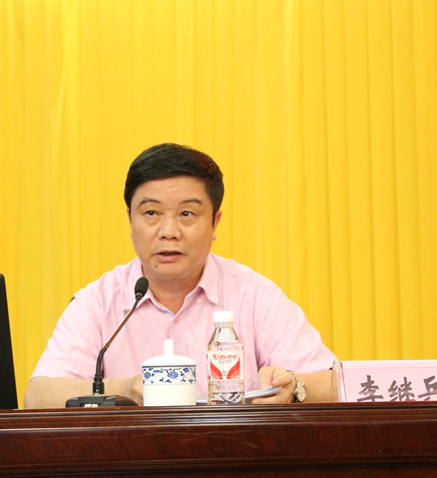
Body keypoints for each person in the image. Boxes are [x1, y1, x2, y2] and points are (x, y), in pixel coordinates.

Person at [24, 143, 336, 408]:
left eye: (187, 214)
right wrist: (124, 389)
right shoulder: (97, 302)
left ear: (214, 223)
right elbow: (38, 396)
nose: (169, 231)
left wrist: (296, 385)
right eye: (151, 213)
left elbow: (336, 384)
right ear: (130, 219)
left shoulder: (253, 295)